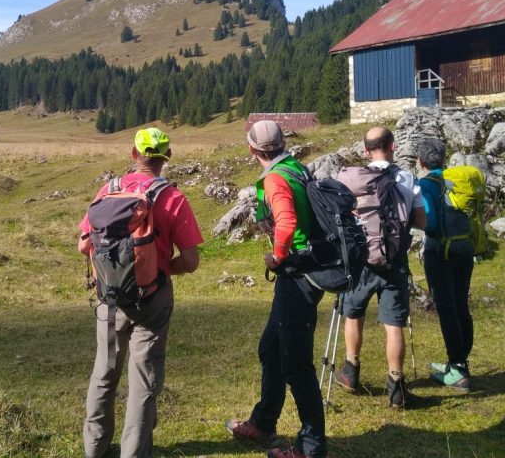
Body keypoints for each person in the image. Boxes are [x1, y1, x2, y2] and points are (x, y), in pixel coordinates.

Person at [79, 127, 203, 458]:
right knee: (143, 378)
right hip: (151, 299)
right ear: (167, 157)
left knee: (105, 370)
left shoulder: (109, 191)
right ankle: (134, 452)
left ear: (133, 154)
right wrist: (162, 269)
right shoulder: (172, 198)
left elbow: (83, 246)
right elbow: (191, 261)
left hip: (109, 299)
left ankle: (94, 448)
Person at [226, 120, 328, 458]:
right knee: (271, 348)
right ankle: (263, 421)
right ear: (283, 143)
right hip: (306, 269)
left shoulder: (274, 178)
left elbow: (286, 222)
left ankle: (311, 447)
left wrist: (277, 256)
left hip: (297, 274)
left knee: (296, 363)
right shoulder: (295, 167)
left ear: (252, 149)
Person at [333, 127, 426, 409]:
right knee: (394, 324)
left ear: (365, 151)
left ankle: (350, 372)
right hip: (394, 262)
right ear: (393, 146)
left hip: (360, 262)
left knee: (353, 315)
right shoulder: (407, 179)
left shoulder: (351, 179)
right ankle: (396, 387)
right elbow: (422, 222)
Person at [416, 137, 473, 392]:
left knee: (446, 308)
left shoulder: (426, 184)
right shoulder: (455, 180)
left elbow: (429, 223)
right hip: (464, 248)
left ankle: (458, 369)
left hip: (440, 251)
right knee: (461, 304)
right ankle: (458, 362)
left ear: (420, 161)